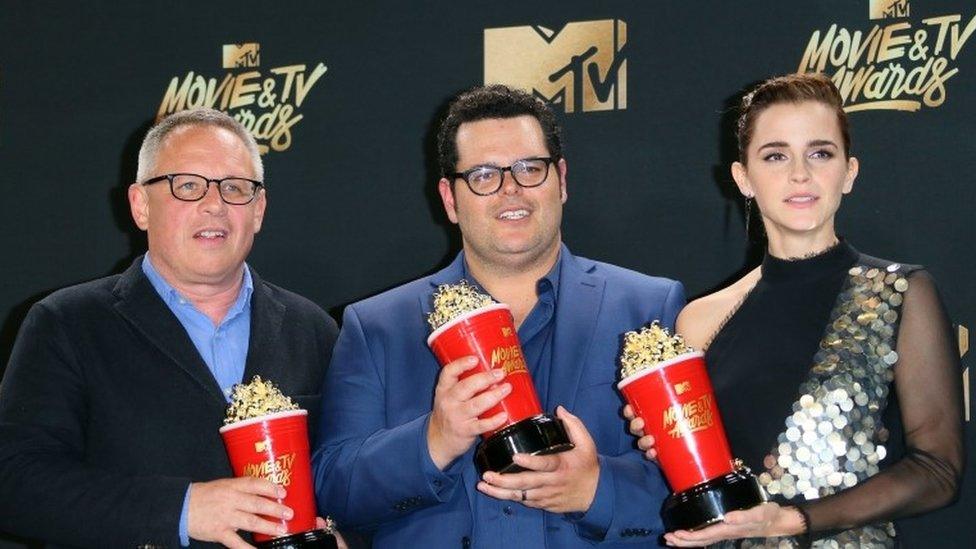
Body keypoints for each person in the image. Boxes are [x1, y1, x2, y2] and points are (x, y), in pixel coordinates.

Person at [312, 84, 685, 547]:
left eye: (530, 168)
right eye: (484, 175)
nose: (511, 189)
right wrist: (434, 440)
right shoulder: (376, 326)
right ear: (450, 198)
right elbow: (331, 490)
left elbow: (700, 485)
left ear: (562, 180)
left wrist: (597, 488)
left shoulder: (647, 308)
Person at [626, 73, 963, 547]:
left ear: (849, 172)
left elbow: (938, 470)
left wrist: (792, 520)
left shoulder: (900, 291)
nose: (800, 174)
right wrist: (669, 441)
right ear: (744, 178)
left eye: (820, 153)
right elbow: (706, 476)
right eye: (776, 155)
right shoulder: (698, 320)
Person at [0, 108, 339, 548]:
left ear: (258, 211)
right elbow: (14, 480)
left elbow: (348, 474)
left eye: (235, 188)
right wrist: (180, 509)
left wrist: (343, 537)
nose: (214, 204)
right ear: (141, 205)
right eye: (188, 186)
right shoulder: (66, 323)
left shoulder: (313, 329)